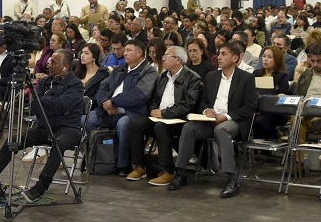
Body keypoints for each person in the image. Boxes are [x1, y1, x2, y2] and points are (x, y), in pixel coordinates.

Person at [0, 49, 83, 203]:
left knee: (58, 146)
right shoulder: (46, 81)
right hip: (43, 127)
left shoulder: (75, 85)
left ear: (65, 66)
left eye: (54, 62)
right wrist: (46, 101)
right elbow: (33, 105)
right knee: (13, 140)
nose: (49, 64)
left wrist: (44, 100)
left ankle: (40, 187)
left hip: (68, 129)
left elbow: (61, 106)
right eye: (50, 61)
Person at [168, 43, 257, 198]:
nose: (219, 57)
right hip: (211, 119)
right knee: (189, 128)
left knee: (221, 130)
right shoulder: (211, 76)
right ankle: (181, 173)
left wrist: (227, 116)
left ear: (235, 58)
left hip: (233, 120)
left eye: (224, 54)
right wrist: (205, 110)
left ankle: (231, 179)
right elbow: (202, 101)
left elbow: (250, 107)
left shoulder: (246, 78)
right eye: (219, 53)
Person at [124, 46, 201, 184]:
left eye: (167, 56)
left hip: (180, 119)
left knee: (160, 127)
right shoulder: (163, 76)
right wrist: (154, 110)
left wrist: (164, 113)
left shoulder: (193, 78)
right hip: (160, 116)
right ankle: (139, 166)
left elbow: (189, 104)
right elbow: (154, 99)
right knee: (135, 125)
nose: (163, 58)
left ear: (178, 60)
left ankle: (168, 171)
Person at [88, 39, 157, 175]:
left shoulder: (149, 72)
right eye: (125, 50)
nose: (124, 53)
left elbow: (139, 95)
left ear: (139, 53)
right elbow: (103, 87)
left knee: (123, 124)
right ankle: (94, 159)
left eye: (128, 50)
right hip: (108, 110)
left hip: (133, 113)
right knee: (86, 120)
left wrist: (114, 102)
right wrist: (105, 104)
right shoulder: (120, 69)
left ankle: (123, 165)